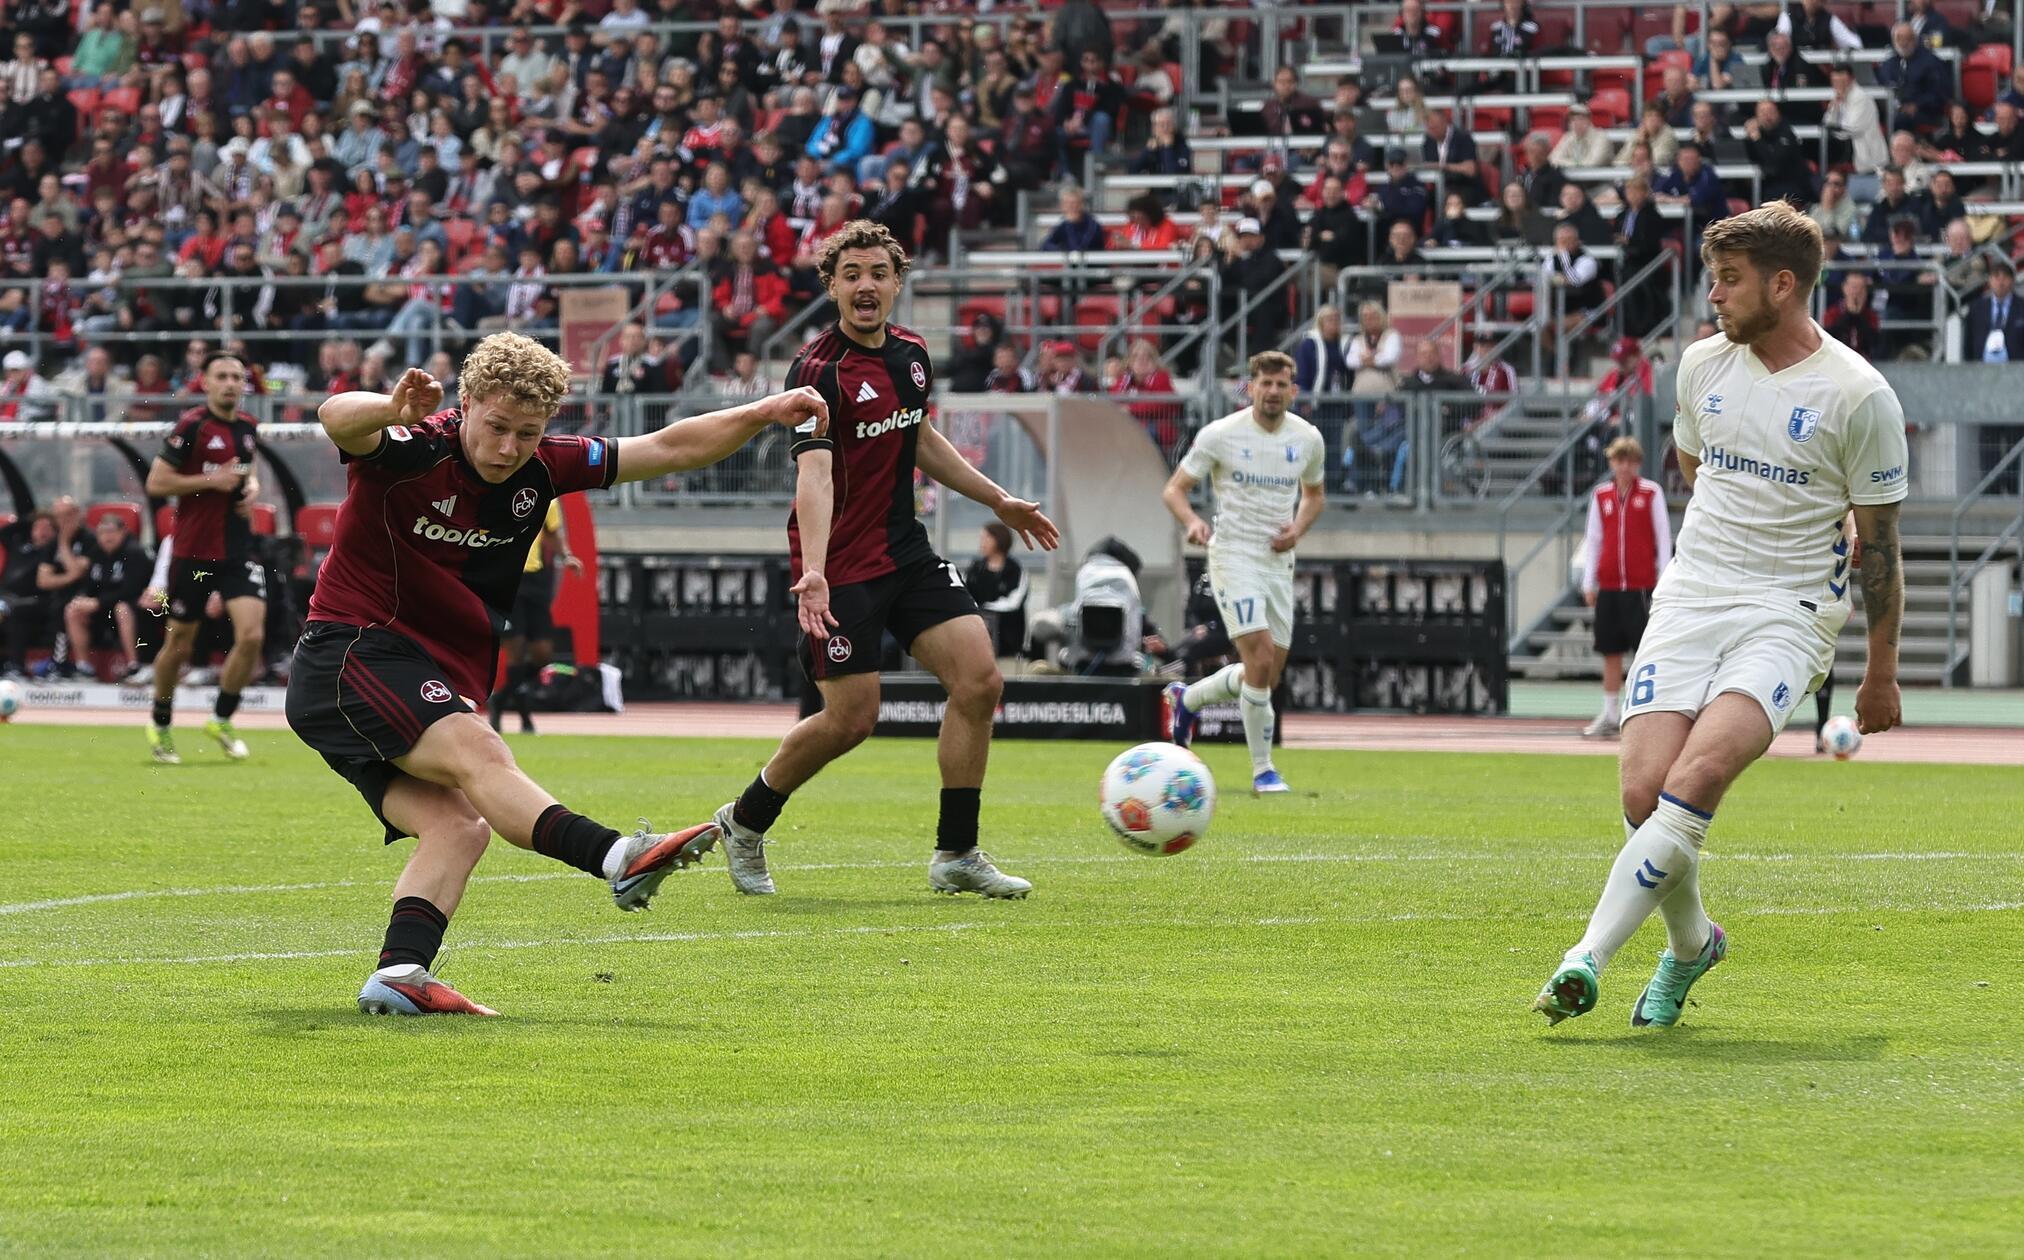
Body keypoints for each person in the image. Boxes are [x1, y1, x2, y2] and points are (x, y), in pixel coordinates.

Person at [287, 331, 829, 1016]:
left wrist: (760, 412)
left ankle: (398, 972)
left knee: (460, 827)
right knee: (481, 751)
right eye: (497, 427)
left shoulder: (544, 466)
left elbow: (666, 448)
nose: (509, 448)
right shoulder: (414, 446)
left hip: (400, 672)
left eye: (527, 432)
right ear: (467, 403)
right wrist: (390, 408)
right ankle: (617, 858)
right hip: (349, 653)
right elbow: (335, 416)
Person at [1533, 202, 1908, 1030]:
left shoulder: (1858, 396)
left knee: (1695, 780)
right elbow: (1701, 469)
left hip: (1789, 611)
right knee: (1643, 795)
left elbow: (1878, 550)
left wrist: (1879, 672)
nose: (1714, 297)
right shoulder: (1702, 366)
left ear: (1783, 284)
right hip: (1693, 595)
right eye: (1713, 279)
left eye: (1730, 281)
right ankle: (1693, 943)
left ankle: (1584, 957)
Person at [700, 220, 1060, 901]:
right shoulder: (816, 372)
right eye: (852, 274)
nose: (866, 286)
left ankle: (956, 852)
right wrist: (813, 567)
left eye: (878, 274)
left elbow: (920, 436)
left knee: (980, 682)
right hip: (839, 565)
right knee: (851, 719)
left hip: (906, 549)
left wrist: (999, 499)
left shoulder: (914, 354)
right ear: (832, 285)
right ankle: (744, 824)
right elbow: (814, 474)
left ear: (897, 283)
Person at [1160, 351, 1325, 794]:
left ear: (1293, 389)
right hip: (1233, 555)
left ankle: (1188, 699)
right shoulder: (1221, 435)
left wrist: (1299, 528)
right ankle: (1263, 771)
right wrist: (1192, 522)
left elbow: (1313, 494)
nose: (1272, 392)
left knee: (1265, 676)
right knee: (1261, 657)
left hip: (1277, 561)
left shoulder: (1307, 438)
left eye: (1281, 384)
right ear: (1250, 387)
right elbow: (1175, 489)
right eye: (1265, 383)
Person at [142, 351, 268, 765]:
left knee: (251, 635)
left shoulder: (248, 425)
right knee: (179, 643)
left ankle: (222, 717)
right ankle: (160, 723)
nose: (232, 383)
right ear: (206, 382)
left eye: (237, 376)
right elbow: (157, 481)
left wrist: (250, 487)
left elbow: (247, 470)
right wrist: (210, 480)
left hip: (237, 549)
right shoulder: (192, 425)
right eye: (223, 376)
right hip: (194, 551)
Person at [1579, 437, 1671, 740]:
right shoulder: (1601, 495)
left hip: (1641, 585)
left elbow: (1662, 537)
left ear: (1638, 464)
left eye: (1630, 461)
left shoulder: (1650, 492)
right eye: (1620, 460)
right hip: (1610, 584)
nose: (1624, 466)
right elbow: (1593, 539)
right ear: (1611, 462)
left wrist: (1664, 579)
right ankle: (1609, 713)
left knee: (1644, 652)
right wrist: (1588, 580)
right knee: (1610, 650)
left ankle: (1646, 714)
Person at [489, 498, 581, 734]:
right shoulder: (498, 490)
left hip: (536, 580)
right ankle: (524, 717)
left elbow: (551, 532)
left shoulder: (547, 498)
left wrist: (566, 555)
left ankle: (501, 699)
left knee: (543, 653)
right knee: (516, 652)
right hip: (508, 579)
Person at [62, 513, 151, 682]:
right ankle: (84, 668)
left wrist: (98, 602)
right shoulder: (96, 553)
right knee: (73, 610)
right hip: (103, 609)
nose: (107, 537)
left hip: (135, 609)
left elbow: (131, 590)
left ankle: (134, 666)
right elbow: (88, 585)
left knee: (122, 608)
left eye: (111, 531)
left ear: (123, 532)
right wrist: (82, 599)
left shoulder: (134, 552)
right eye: (102, 532)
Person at [963, 521, 1027, 661]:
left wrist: (986, 609)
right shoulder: (975, 568)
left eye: (986, 538)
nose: (982, 543)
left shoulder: (1015, 569)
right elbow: (964, 595)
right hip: (977, 633)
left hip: (1008, 638)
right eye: (981, 539)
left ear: (999, 539)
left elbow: (1014, 601)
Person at [1966, 263, 2024, 362]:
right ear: (1989, 280)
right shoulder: (1976, 308)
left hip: (2017, 369)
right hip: (1982, 368)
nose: (2001, 282)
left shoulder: (2022, 307)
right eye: (1996, 277)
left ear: (2012, 280)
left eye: (2005, 277)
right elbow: (1968, 343)